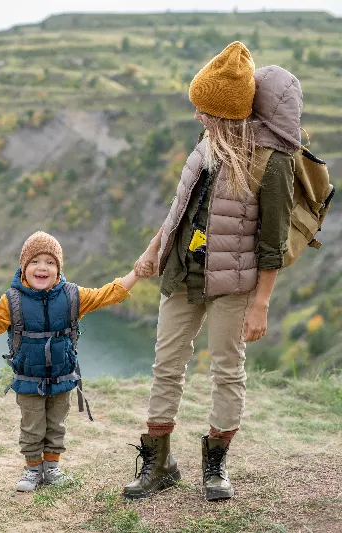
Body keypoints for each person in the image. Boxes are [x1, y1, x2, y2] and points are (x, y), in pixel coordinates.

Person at [122, 42, 298, 502]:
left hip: (234, 284)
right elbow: (179, 212)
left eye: (204, 110)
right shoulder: (206, 146)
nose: (197, 116)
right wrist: (151, 253)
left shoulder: (272, 161)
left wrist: (260, 303)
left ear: (224, 113)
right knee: (166, 366)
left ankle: (215, 465)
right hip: (183, 273)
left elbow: (273, 243)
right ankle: (159, 464)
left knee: (227, 370)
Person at [0, 231, 148, 491]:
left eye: (50, 262)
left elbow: (109, 294)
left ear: (59, 268)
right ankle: (32, 470)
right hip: (28, 378)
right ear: (23, 267)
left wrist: (137, 274)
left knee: (56, 426)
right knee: (32, 426)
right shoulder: (12, 300)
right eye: (35, 261)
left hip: (63, 377)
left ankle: (51, 468)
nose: (42, 267)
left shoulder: (73, 296)